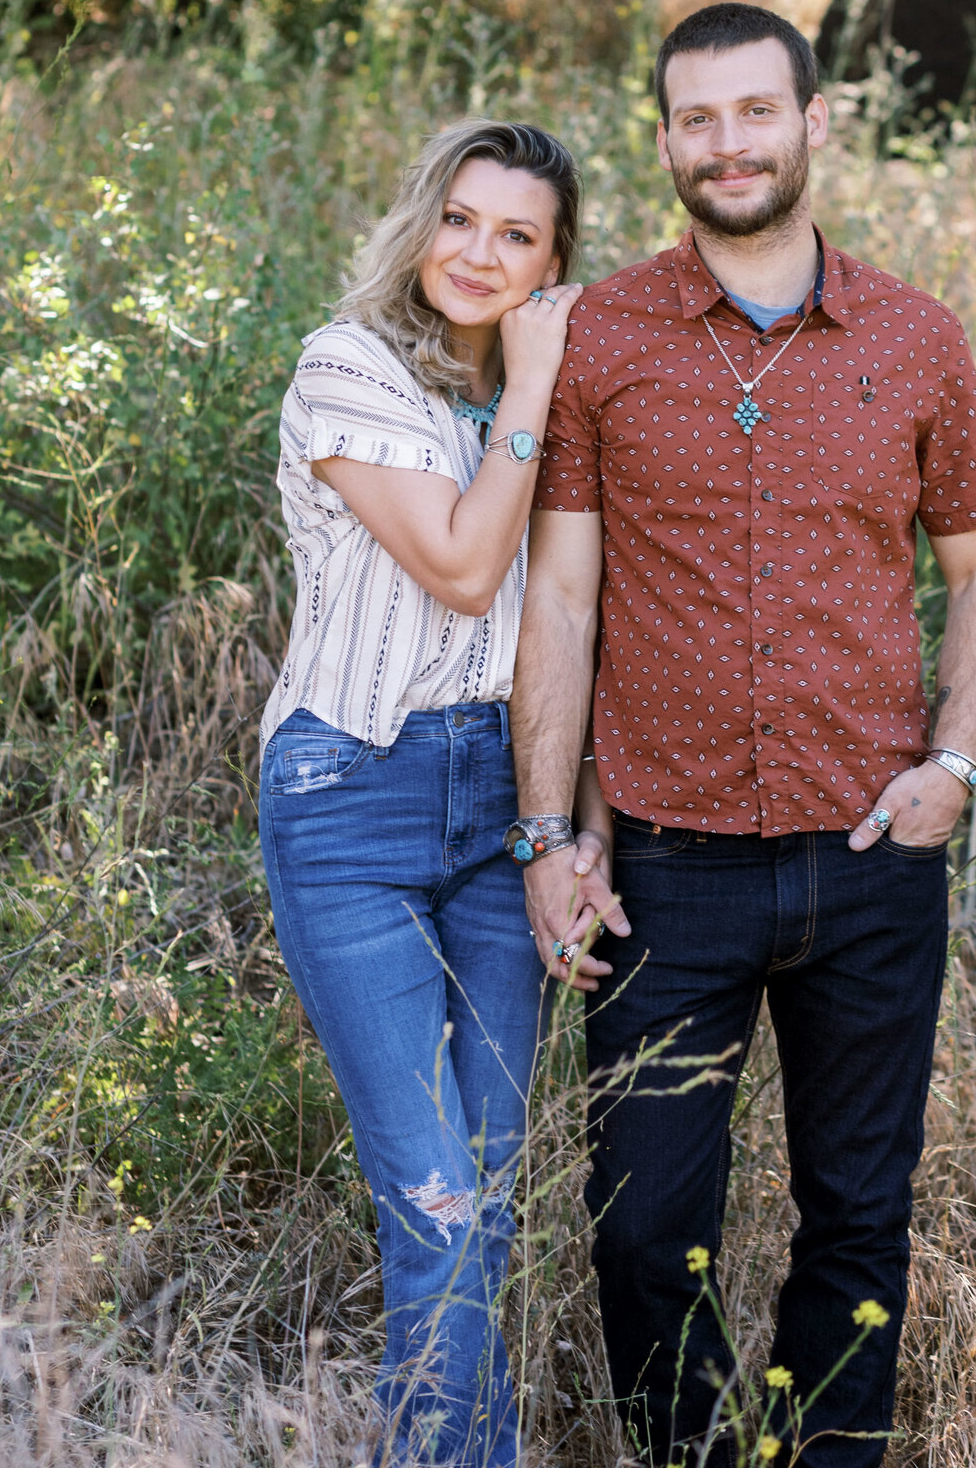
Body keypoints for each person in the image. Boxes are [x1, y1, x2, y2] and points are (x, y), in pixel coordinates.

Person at [509, 4, 976, 1467]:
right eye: (695, 119)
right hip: (665, 873)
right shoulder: (600, 334)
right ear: (664, 139)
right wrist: (550, 837)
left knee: (860, 1215)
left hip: (871, 859)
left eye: (754, 112)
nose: (725, 144)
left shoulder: (916, 339)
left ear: (815, 123)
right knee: (646, 1231)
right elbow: (557, 599)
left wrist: (956, 768)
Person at [257, 119, 593, 1467]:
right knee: (438, 1198)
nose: (478, 253)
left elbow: (572, 625)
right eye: (461, 218)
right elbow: (462, 566)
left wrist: (565, 827)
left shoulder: (551, 388)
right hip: (355, 800)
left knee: (490, 1195)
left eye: (517, 235)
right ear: (423, 219)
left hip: (502, 805)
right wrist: (531, 386)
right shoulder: (349, 369)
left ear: (555, 263)